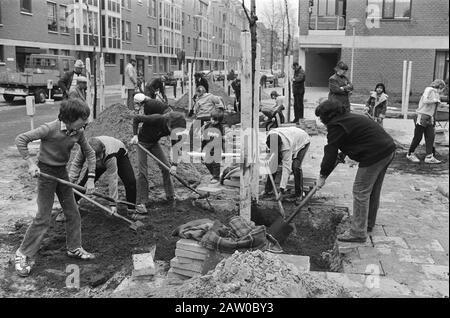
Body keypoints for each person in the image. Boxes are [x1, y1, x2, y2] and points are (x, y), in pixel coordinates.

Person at [14, 98, 97, 277]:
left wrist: (91, 178)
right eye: (83, 118)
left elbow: (89, 153)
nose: (86, 122)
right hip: (45, 173)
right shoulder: (49, 129)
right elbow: (21, 139)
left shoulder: (78, 131)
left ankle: (74, 247)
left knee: (73, 212)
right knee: (43, 217)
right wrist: (30, 164)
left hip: (61, 173)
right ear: (70, 118)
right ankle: (22, 253)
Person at [315, 100, 395, 242]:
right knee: (372, 190)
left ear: (327, 116)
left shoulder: (336, 125)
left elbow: (330, 152)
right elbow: (355, 137)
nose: (321, 121)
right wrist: (343, 154)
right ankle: (367, 224)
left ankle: (358, 232)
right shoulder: (347, 118)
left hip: (374, 154)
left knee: (360, 191)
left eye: (321, 117)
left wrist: (322, 175)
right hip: (387, 149)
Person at [67, 136, 147, 221]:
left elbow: (113, 179)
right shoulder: (84, 149)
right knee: (85, 183)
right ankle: (70, 206)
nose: (97, 161)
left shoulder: (110, 154)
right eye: (95, 158)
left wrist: (113, 203)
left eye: (98, 157)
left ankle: (131, 211)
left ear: (103, 149)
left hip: (119, 156)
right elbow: (77, 164)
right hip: (98, 159)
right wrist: (70, 181)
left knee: (130, 182)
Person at [130, 111, 187, 206]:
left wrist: (174, 165)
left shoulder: (174, 130)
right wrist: (135, 135)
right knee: (142, 171)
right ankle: (142, 201)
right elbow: (136, 118)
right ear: (169, 124)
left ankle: (170, 196)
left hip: (154, 143)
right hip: (141, 143)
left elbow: (176, 147)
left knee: (166, 168)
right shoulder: (156, 118)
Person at [262, 126, 310, 205]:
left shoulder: (286, 147)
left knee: (295, 166)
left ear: (280, 146)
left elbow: (286, 170)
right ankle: (268, 190)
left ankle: (299, 195)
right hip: (292, 135)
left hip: (303, 140)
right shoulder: (270, 136)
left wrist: (281, 190)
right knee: (273, 164)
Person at [406, 79, 446, 164]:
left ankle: (429, 156)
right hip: (422, 115)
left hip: (430, 117)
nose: (442, 91)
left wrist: (434, 118)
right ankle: (410, 153)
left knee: (430, 137)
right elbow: (425, 101)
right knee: (418, 137)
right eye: (442, 88)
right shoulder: (429, 89)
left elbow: (434, 107)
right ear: (440, 86)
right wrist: (435, 101)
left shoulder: (437, 94)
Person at [189, 86, 225, 151]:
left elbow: (195, 111)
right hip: (210, 117)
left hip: (201, 117)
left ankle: (191, 147)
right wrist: (221, 108)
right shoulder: (211, 96)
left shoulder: (198, 100)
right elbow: (219, 100)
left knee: (192, 131)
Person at [202, 108, 225, 184]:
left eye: (216, 120)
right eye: (212, 119)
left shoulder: (220, 127)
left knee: (215, 163)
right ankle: (214, 174)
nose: (213, 121)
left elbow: (223, 139)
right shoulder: (207, 126)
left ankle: (216, 177)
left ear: (219, 121)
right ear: (210, 117)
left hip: (217, 148)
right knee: (207, 163)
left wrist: (224, 150)